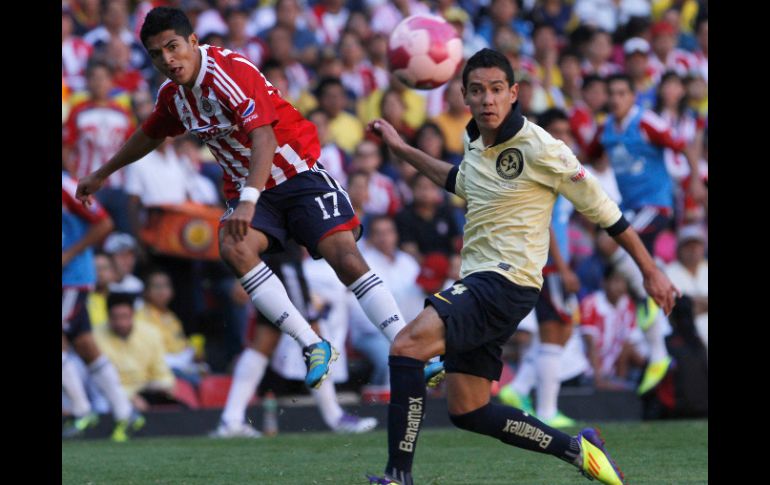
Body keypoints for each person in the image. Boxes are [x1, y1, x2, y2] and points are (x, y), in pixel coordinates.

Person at [75, 7, 443, 392]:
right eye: (156, 54)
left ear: (193, 42)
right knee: (233, 246)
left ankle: (411, 348)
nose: (167, 59)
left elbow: (264, 137)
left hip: (296, 175)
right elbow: (150, 133)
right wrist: (102, 173)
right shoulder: (174, 97)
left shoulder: (228, 72)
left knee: (345, 257)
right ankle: (313, 344)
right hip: (252, 191)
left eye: (173, 47)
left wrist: (248, 200)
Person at [365, 48, 679, 485]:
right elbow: (458, 181)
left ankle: (398, 475)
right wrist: (401, 149)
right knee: (469, 410)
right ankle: (578, 449)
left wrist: (650, 270)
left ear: (513, 93)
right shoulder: (475, 141)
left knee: (406, 347)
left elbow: (607, 212)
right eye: (478, 91)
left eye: (496, 90)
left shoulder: (542, 148)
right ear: (465, 96)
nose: (488, 99)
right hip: (481, 281)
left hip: (506, 282)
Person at [211, 242, 378, 437]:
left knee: (265, 341)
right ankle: (335, 417)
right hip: (283, 259)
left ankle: (231, 419)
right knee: (314, 337)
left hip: (276, 260)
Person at [62, 167, 142, 442]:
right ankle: (124, 413)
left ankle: (81, 410)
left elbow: (104, 223)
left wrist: (69, 254)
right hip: (70, 278)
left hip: (70, 277)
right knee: (85, 344)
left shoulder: (67, 187)